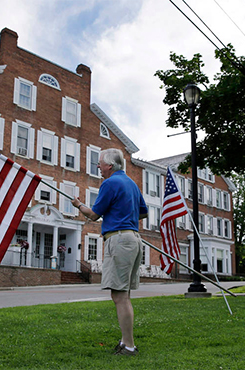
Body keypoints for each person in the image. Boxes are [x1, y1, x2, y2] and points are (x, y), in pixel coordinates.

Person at [71, 148, 148, 356]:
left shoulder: (109, 183)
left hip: (119, 239)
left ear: (110, 166)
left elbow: (94, 215)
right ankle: (125, 342)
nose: (98, 166)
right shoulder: (132, 183)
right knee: (125, 293)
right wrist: (123, 213)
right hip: (134, 239)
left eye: (100, 163)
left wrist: (79, 205)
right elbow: (143, 212)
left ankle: (130, 346)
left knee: (119, 295)